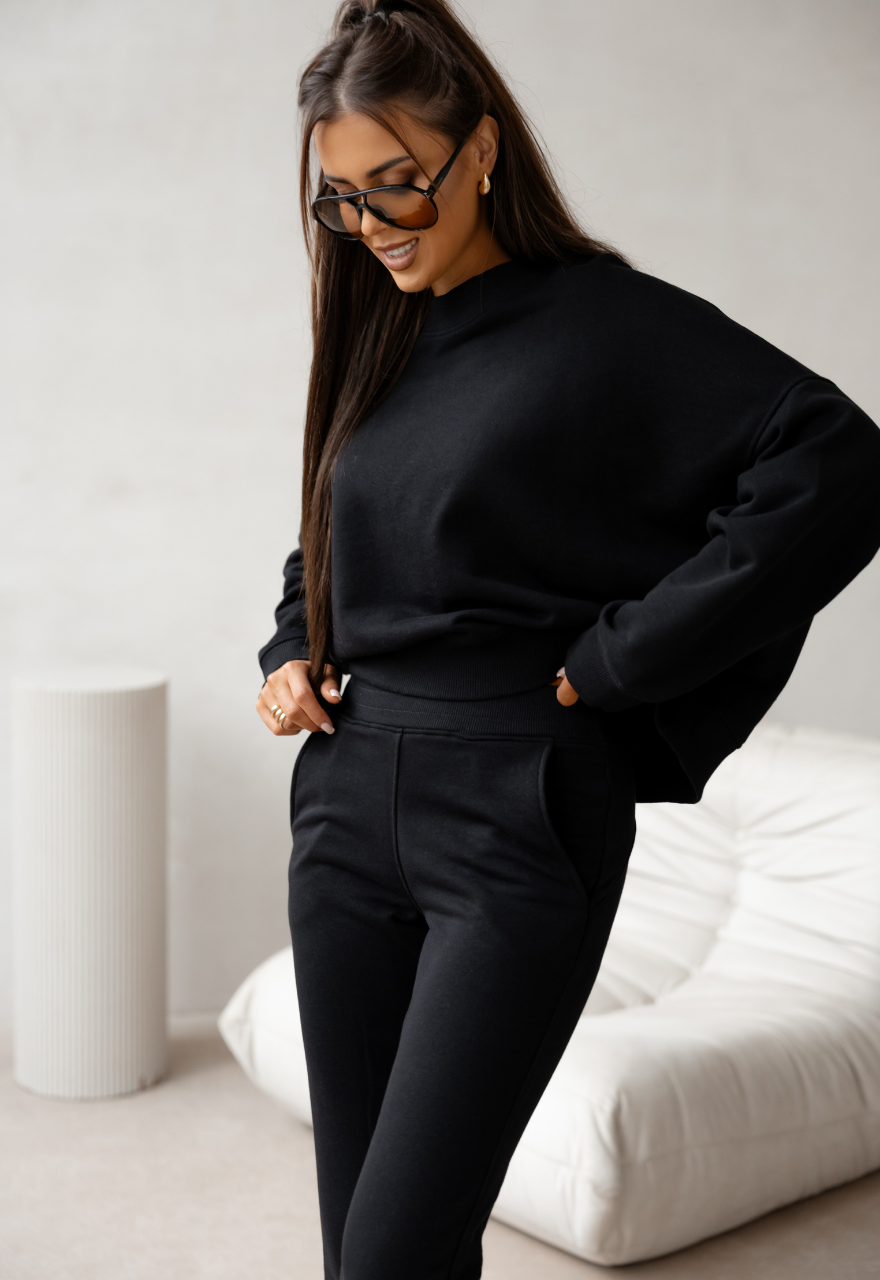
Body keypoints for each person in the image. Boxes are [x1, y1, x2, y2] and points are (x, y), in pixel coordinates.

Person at [255, 2, 880, 1276]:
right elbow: (335, 526)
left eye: (398, 185)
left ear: (481, 150)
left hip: (513, 814)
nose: (371, 226)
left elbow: (837, 467)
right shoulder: (380, 332)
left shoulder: (607, 323)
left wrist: (624, 657)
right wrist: (289, 648)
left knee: (395, 1251)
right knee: (358, 1246)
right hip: (343, 807)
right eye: (342, 199)